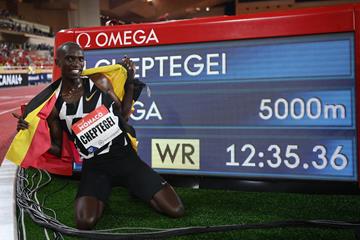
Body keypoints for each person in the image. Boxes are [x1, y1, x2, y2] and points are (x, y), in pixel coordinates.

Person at [13, 42, 184, 230]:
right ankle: (125, 188)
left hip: (125, 158)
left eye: (80, 59)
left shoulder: (98, 82)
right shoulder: (54, 104)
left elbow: (124, 115)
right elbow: (57, 148)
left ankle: (137, 188)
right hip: (95, 168)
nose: (77, 63)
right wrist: (29, 132)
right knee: (85, 222)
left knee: (175, 210)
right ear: (58, 62)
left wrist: (129, 82)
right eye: (70, 59)